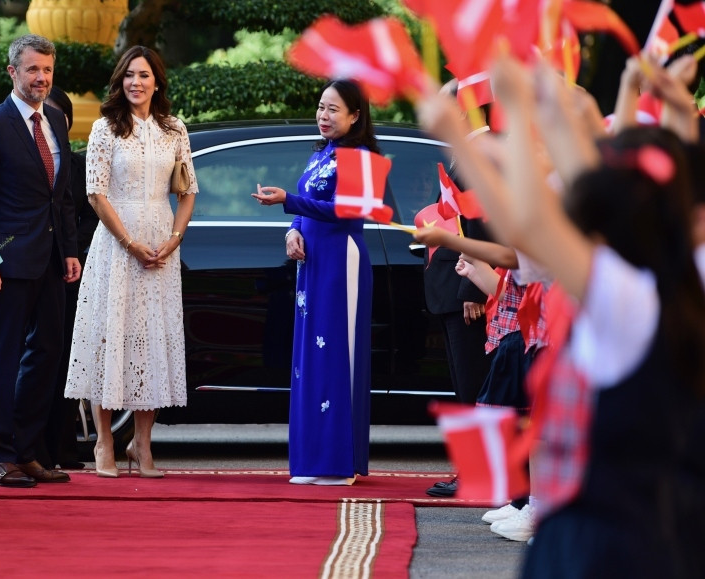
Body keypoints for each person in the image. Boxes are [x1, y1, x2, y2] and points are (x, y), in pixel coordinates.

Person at [419, 53, 705, 578]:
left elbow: (526, 222)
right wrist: (666, 106)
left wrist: (464, 130)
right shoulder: (682, 279)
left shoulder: (624, 298)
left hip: (607, 533)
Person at [65, 46, 198, 478]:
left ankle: (142, 446)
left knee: (153, 340)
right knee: (110, 338)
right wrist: (129, 242)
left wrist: (174, 239)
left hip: (162, 244)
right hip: (116, 245)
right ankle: (105, 443)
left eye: (143, 75)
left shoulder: (175, 128)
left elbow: (188, 190)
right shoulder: (104, 129)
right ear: (119, 82)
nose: (135, 83)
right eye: (128, 75)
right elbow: (95, 193)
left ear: (157, 81)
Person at [0, 34, 81, 487]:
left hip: (52, 261)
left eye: (47, 70)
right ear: (13, 72)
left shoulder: (55, 119)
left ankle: (28, 452)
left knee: (47, 355)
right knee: (4, 358)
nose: (42, 78)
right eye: (33, 69)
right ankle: (0, 457)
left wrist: (69, 250)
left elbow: (63, 196)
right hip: (8, 264)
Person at [252, 79, 376, 486]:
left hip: (342, 261)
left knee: (337, 356)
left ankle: (338, 462)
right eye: (321, 108)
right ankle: (312, 460)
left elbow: (346, 212)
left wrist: (289, 201)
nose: (323, 116)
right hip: (314, 264)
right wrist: (292, 229)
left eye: (333, 109)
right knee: (309, 361)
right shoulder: (320, 154)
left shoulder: (361, 157)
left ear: (355, 115)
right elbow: (308, 207)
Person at [39, 86, 95, 471]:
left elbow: (90, 218)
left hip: (72, 272)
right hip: (27, 270)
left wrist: (70, 252)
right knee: (34, 360)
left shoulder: (82, 167)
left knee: (64, 362)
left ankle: (62, 446)